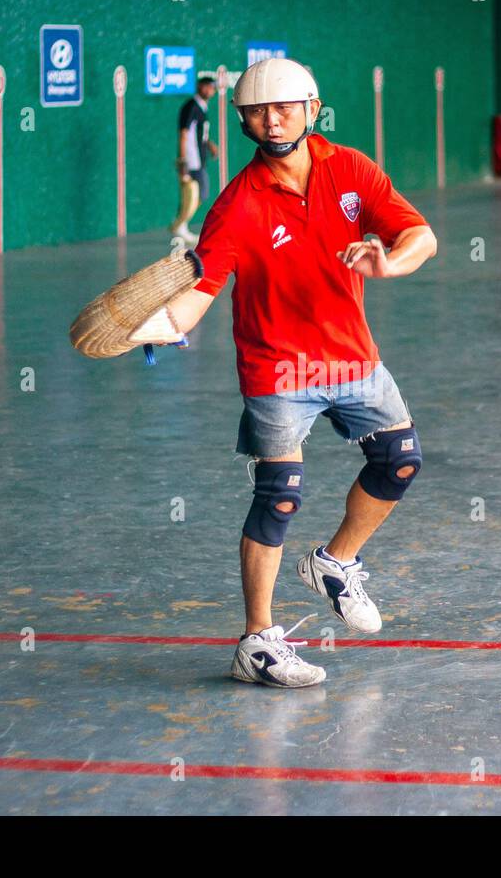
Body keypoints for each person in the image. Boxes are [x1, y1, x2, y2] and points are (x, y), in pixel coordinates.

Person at [156, 57, 438, 688]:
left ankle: (335, 563)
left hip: (351, 356)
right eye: (257, 110)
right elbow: (203, 286)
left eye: (284, 106)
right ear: (243, 121)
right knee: (279, 494)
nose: (272, 118)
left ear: (314, 109)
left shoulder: (352, 170)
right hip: (277, 366)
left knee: (400, 460)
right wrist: (172, 323)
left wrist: (390, 262)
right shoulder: (235, 205)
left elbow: (420, 233)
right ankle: (256, 644)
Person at [169, 71, 219, 245]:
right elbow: (184, 134)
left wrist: (209, 144)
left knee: (198, 194)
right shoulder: (190, 106)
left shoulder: (202, 107)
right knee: (198, 193)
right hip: (191, 159)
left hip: (199, 158)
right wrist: (183, 160)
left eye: (213, 88)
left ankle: (180, 224)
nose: (211, 90)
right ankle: (180, 225)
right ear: (200, 87)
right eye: (208, 87)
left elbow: (198, 134)